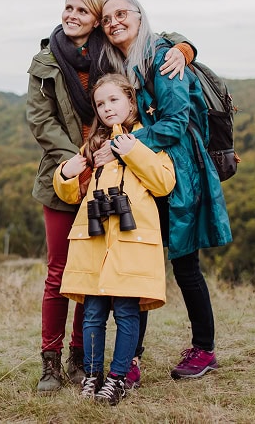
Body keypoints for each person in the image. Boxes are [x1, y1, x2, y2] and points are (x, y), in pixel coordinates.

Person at [26, 0, 195, 393]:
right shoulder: (46, 61)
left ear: (97, 17)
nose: (73, 15)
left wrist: (185, 49)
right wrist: (82, 158)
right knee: (59, 272)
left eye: (84, 10)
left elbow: (156, 38)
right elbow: (41, 120)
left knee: (98, 275)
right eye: (68, 7)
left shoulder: (112, 50)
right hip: (73, 168)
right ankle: (51, 360)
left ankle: (84, 360)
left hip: (118, 169)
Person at [98, 0, 233, 380]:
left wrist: (124, 148)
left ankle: (204, 350)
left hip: (179, 171)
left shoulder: (161, 57)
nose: (114, 22)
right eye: (107, 18)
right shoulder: (125, 62)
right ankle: (131, 358)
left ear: (140, 17)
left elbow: (175, 122)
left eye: (121, 14)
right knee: (142, 262)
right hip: (148, 165)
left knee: (186, 265)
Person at [53, 73, 176, 405]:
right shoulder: (92, 145)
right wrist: (64, 174)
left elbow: (164, 182)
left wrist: (131, 151)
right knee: (93, 312)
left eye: (114, 100)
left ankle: (118, 377)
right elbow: (72, 193)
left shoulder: (149, 139)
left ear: (131, 101)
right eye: (100, 103)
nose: (107, 108)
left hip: (130, 241)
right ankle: (93, 375)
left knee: (125, 311)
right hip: (94, 241)